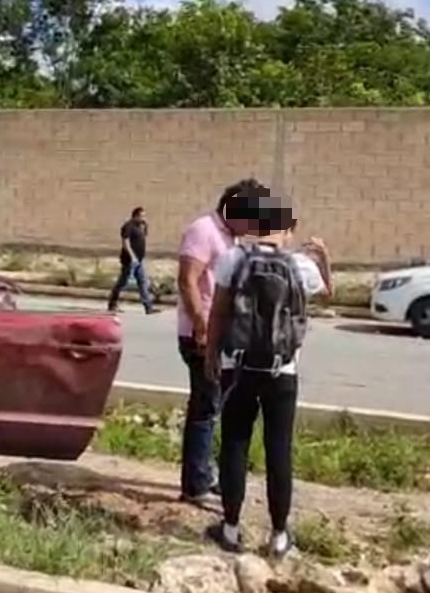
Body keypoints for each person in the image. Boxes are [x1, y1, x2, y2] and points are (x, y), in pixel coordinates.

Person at [205, 195, 330, 557]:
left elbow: (219, 311)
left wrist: (212, 353)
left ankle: (229, 529)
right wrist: (324, 257)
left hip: (239, 367)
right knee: (279, 450)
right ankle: (278, 534)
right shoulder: (301, 266)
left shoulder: (233, 258)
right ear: (288, 229)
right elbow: (320, 298)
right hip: (282, 370)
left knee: (234, 444)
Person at [175, 177, 267, 505]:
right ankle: (195, 485)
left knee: (214, 406)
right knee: (205, 407)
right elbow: (188, 281)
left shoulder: (230, 237)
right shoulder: (204, 230)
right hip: (201, 336)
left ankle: (204, 474)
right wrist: (202, 328)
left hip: (223, 336)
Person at [107, 207, 159, 314]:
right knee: (122, 283)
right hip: (129, 261)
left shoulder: (141, 226)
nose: (144, 218)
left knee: (143, 283)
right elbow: (125, 243)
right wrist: (132, 257)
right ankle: (112, 303)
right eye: (142, 216)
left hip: (139, 261)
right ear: (135, 216)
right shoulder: (128, 226)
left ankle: (148, 307)